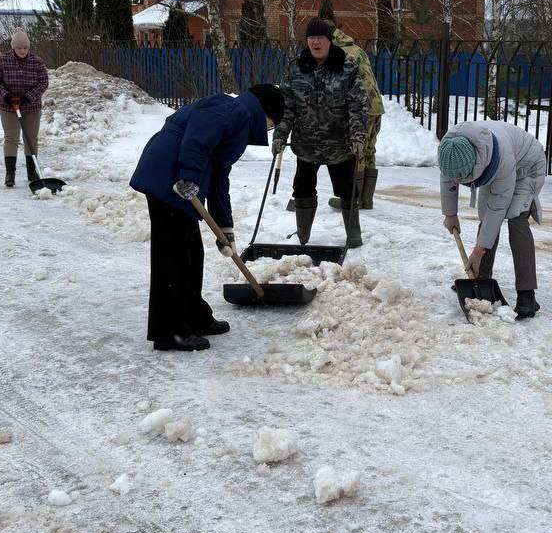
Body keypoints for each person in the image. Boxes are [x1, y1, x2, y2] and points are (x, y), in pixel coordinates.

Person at [130, 84, 284, 351]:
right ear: (266, 114)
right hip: (168, 175)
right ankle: (169, 332)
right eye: (272, 124)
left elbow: (219, 176)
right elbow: (195, 140)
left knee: (191, 252)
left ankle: (194, 316)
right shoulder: (232, 109)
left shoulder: (239, 120)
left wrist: (225, 229)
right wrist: (189, 177)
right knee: (173, 257)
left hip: (178, 181)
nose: (269, 130)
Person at [273, 18, 368, 248]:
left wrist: (357, 135)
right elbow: (287, 106)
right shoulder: (296, 68)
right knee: (302, 189)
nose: (315, 42)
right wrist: (280, 134)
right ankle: (303, 234)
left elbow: (358, 105)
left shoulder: (347, 67)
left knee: (347, 189)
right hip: (306, 144)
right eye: (311, 38)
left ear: (329, 41)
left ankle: (353, 235)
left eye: (320, 38)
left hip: (340, 144)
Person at [439, 120, 546, 319]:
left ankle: (527, 294)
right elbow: (448, 177)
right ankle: (481, 279)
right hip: (493, 167)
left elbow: (498, 208)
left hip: (527, 167)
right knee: (487, 218)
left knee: (516, 220)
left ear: (475, 165)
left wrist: (479, 251)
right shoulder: (450, 149)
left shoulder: (501, 158)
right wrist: (450, 214)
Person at [327, 26, 384, 210]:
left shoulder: (338, 54)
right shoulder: (357, 49)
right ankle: (367, 199)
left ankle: (354, 199)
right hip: (375, 105)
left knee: (356, 150)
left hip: (361, 107)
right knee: (369, 150)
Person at [0, 28, 49, 188]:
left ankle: (32, 172)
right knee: (11, 137)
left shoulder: (37, 62)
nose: (22, 51)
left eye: (25, 48)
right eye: (19, 48)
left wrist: (28, 97)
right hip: (8, 106)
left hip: (31, 106)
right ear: (13, 47)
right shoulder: (2, 60)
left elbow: (44, 82)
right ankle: (10, 173)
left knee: (31, 138)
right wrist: (6, 95)